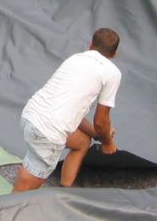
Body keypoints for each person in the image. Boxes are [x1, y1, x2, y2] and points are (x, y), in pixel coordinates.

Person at [13, 28, 122, 192]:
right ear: (114, 54)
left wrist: (95, 134)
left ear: (91, 44)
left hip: (29, 117)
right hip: (47, 133)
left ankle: (65, 192)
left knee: (82, 142)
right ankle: (5, 215)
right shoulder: (112, 73)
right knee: (22, 194)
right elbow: (101, 121)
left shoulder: (76, 59)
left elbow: (72, 114)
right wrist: (107, 142)